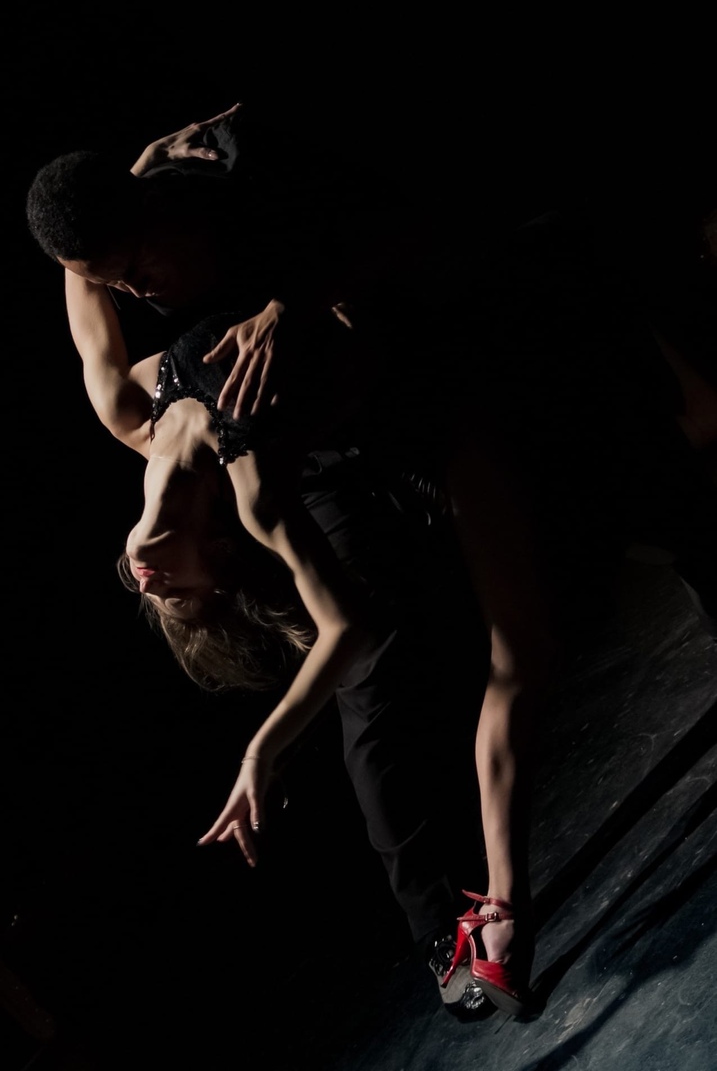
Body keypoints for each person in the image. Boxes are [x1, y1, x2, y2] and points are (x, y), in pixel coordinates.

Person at [26, 103, 717, 1020]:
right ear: (215, 557)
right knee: (491, 650)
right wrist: (263, 749)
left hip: (421, 385)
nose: (134, 296)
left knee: (617, 494)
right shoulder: (247, 484)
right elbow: (343, 624)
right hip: (404, 426)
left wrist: (248, 269)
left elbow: (385, 243)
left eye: (131, 271)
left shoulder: (148, 392)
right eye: (177, 592)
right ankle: (485, 917)